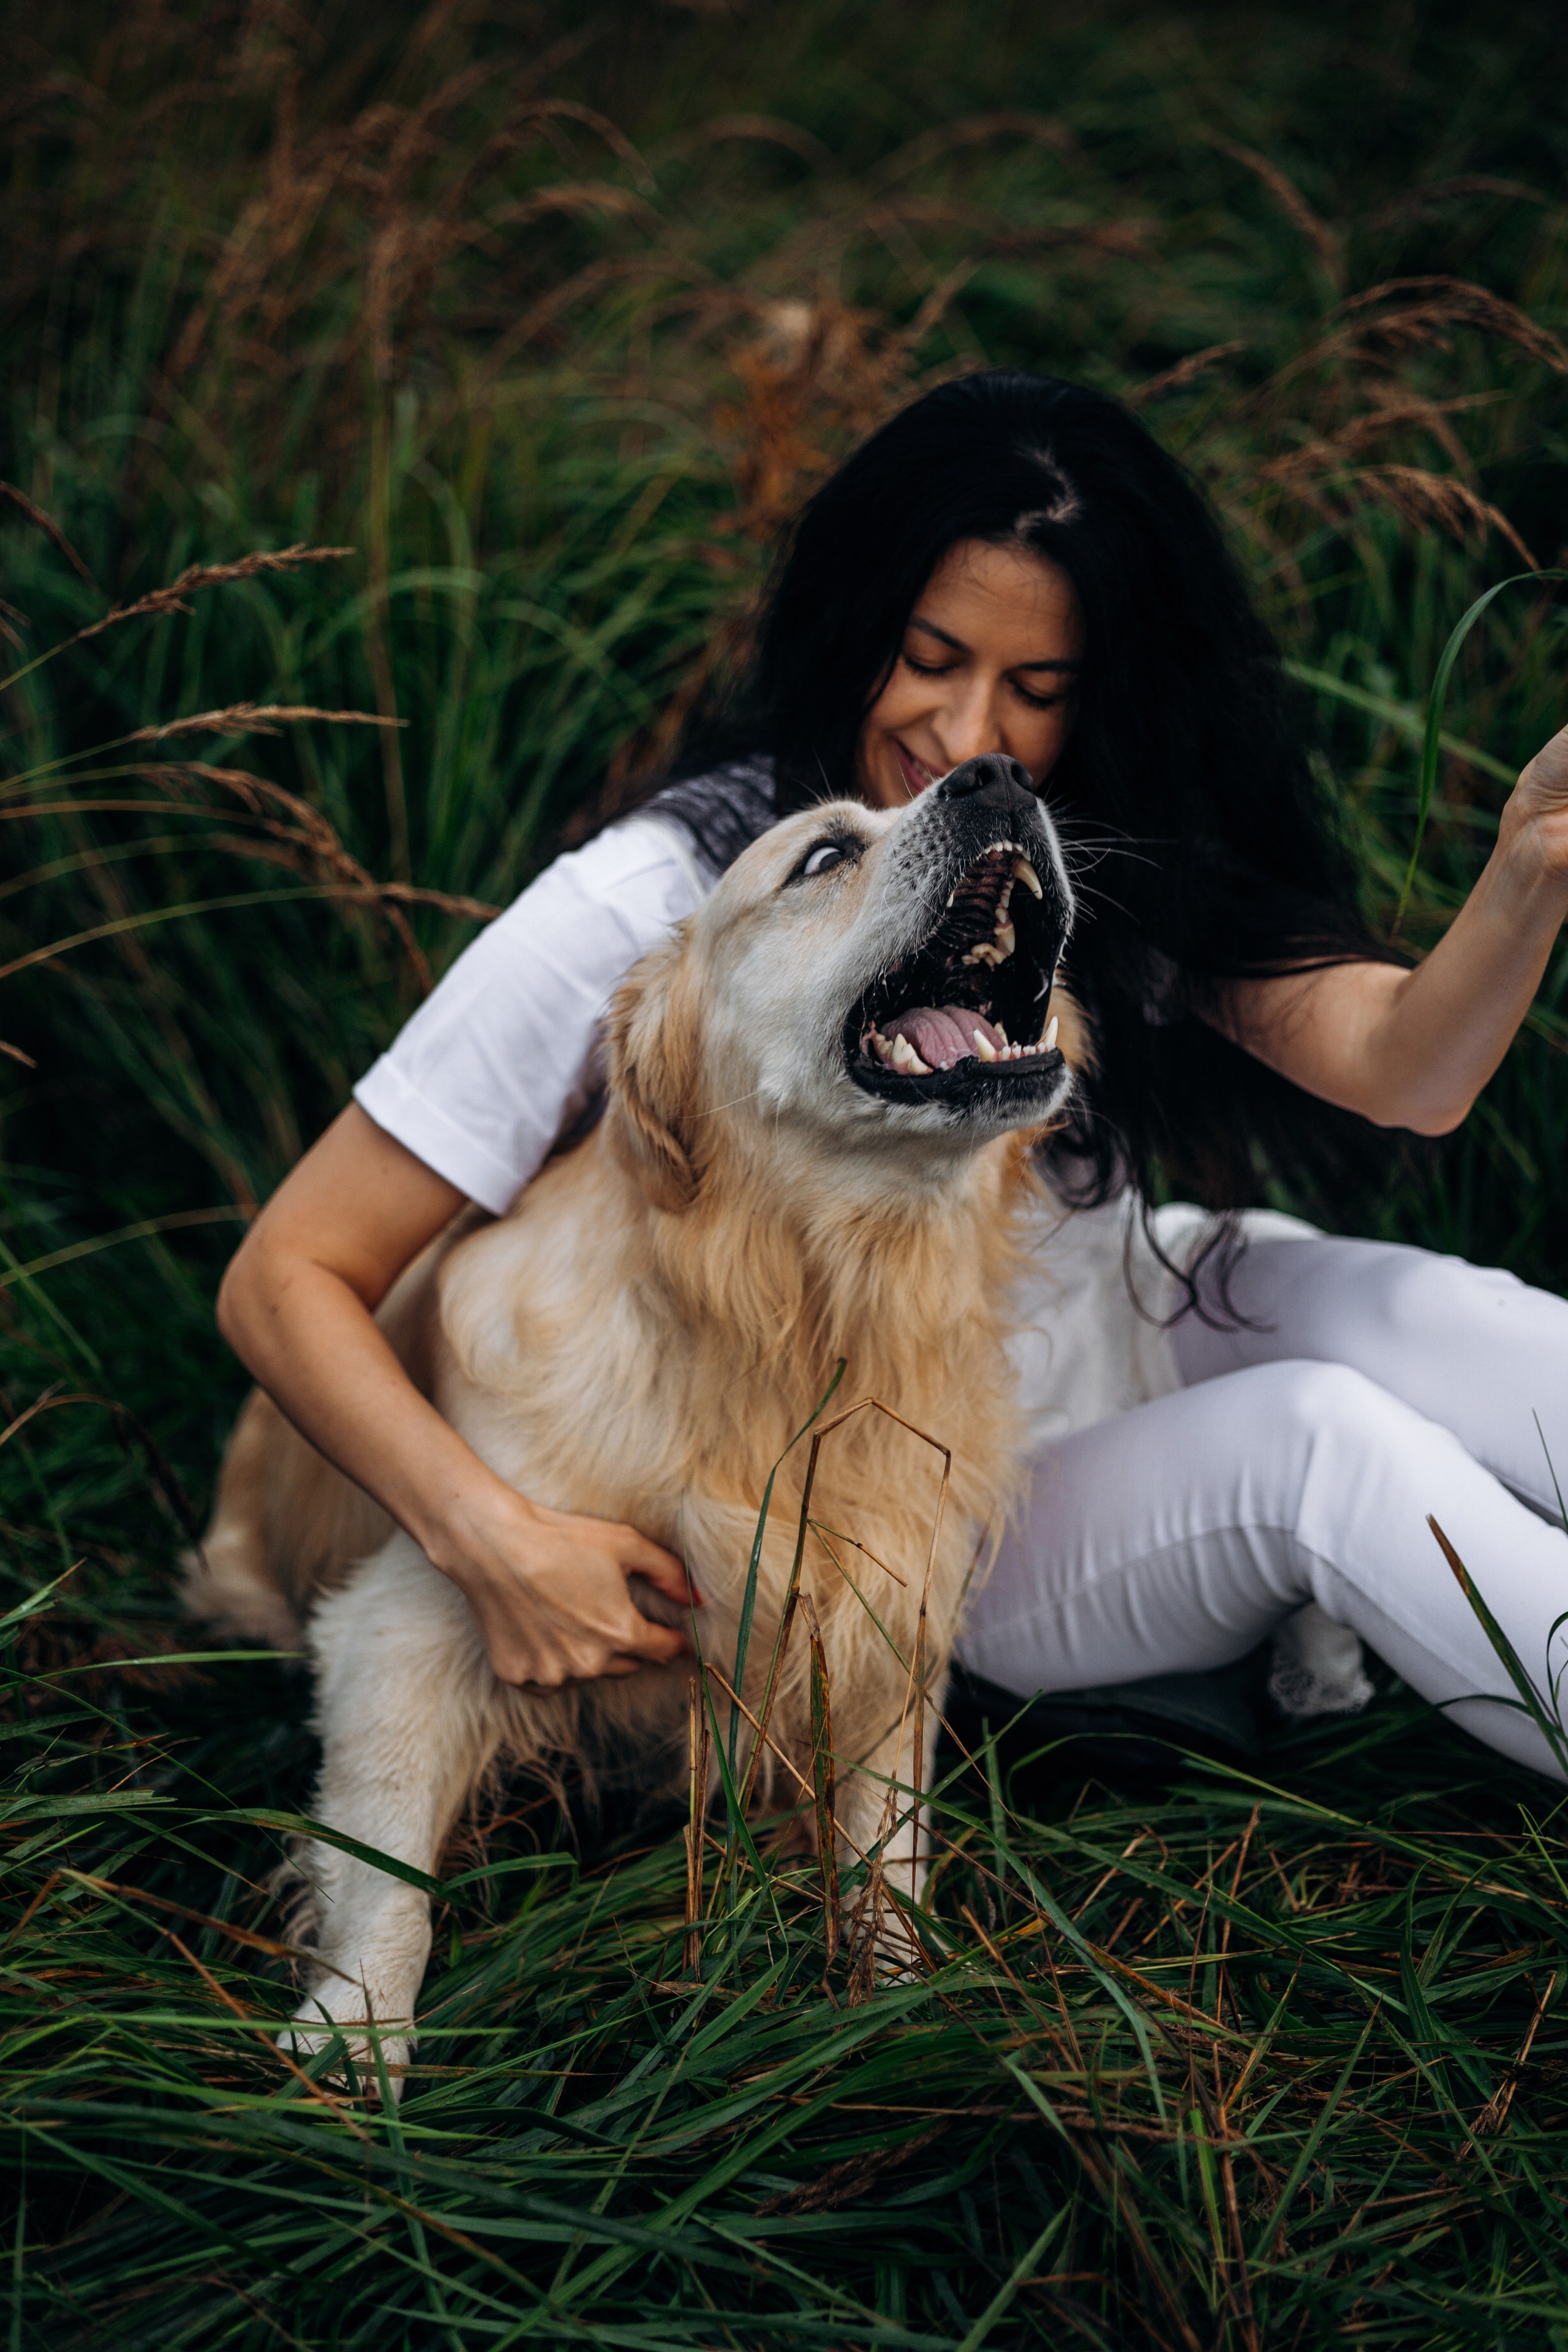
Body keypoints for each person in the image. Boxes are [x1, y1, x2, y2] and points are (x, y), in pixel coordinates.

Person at [217, 371, 1568, 1777]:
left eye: (1036, 690)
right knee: (1320, 1447)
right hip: (940, 1511)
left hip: (1110, 1307)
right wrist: (489, 1541)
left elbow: (1407, 1072)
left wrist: (1530, 858)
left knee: (1438, 1316)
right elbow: (287, 1275)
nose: (966, 734)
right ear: (850, 622)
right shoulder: (651, 906)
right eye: (927, 656)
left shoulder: (1065, 837)